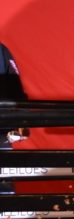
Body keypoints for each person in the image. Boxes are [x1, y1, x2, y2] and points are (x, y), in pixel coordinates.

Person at [0, 42, 29, 194]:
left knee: (3, 192)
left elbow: (14, 85)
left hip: (1, 132)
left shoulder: (1, 50)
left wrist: (21, 120)